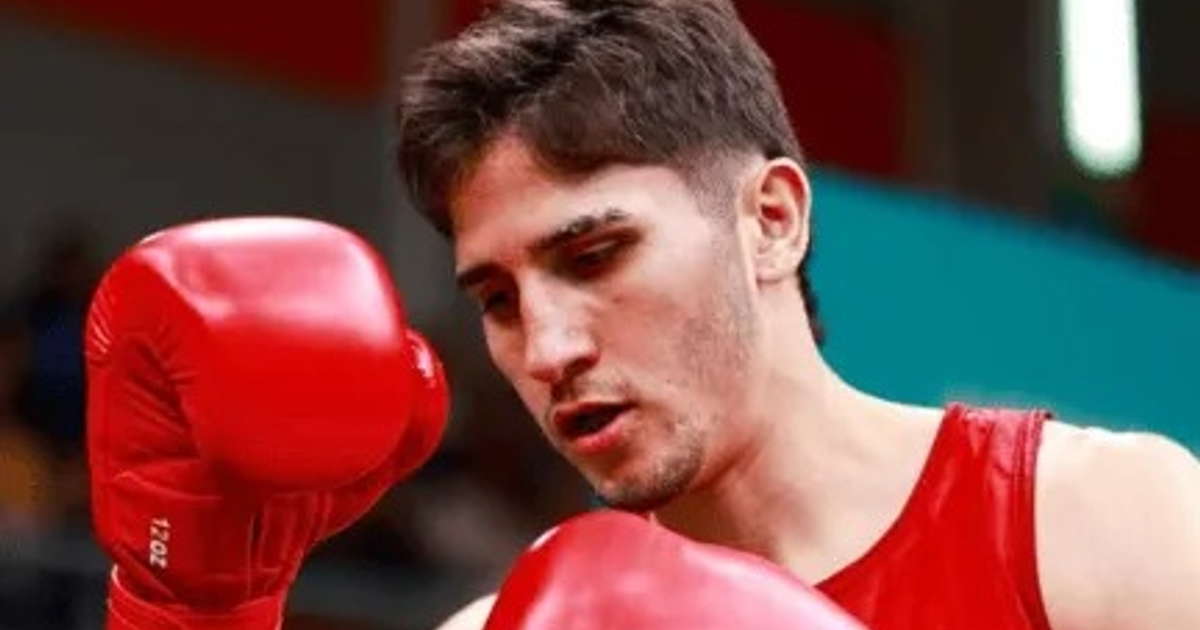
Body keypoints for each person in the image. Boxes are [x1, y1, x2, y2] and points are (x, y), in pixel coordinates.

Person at [393, 0, 1200, 629]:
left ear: (771, 221)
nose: (547, 349)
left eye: (596, 256)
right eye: (498, 300)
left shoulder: (1105, 524)